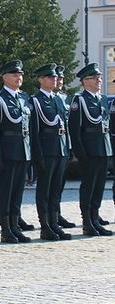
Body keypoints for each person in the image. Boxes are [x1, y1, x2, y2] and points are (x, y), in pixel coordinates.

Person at [0, 60, 32, 243]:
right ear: (5, 77)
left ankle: (15, 225)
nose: (18, 77)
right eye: (14, 74)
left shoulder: (23, 98)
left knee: (18, 191)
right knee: (6, 191)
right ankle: (5, 229)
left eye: (20, 74)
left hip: (22, 152)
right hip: (7, 153)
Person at [68, 63, 113, 237]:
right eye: (95, 78)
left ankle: (95, 217)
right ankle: (87, 222)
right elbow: (75, 130)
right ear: (85, 81)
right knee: (89, 186)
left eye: (100, 77)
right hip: (89, 150)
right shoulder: (79, 100)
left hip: (103, 148)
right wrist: (80, 154)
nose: (99, 80)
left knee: (100, 186)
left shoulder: (101, 99)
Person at [29, 63, 71, 241]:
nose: (55, 79)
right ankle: (45, 226)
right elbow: (34, 132)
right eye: (50, 77)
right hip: (46, 151)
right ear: (41, 80)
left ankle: (54, 223)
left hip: (60, 149)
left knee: (56, 191)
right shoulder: (36, 101)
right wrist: (38, 156)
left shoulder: (59, 99)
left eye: (55, 77)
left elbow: (64, 125)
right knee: (45, 190)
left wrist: (67, 148)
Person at [53, 65, 78, 229]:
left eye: (62, 78)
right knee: (49, 186)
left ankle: (57, 213)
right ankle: (50, 217)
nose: (60, 81)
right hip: (50, 148)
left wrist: (70, 147)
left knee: (59, 185)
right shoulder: (42, 99)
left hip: (63, 146)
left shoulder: (64, 98)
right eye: (57, 78)